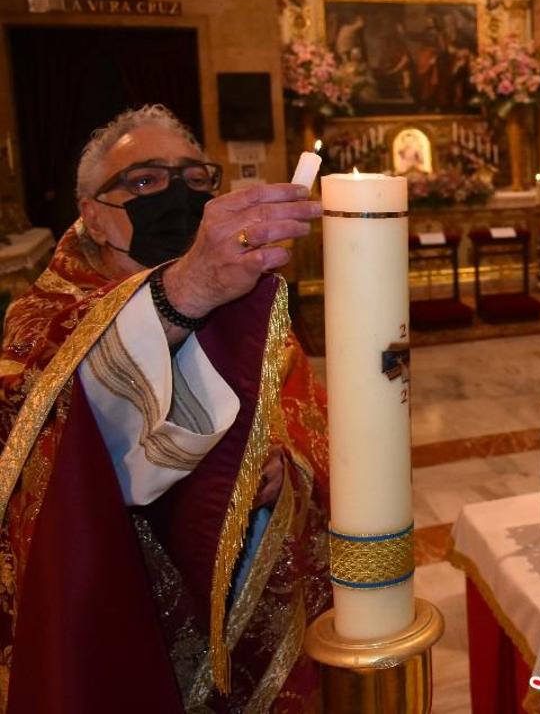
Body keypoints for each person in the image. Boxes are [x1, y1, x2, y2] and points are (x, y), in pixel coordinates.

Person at [0, 105, 331, 712]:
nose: (174, 195)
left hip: (241, 600)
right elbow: (43, 447)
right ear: (95, 218)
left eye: (193, 178)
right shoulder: (41, 318)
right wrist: (188, 289)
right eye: (145, 180)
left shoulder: (253, 306)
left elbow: (308, 427)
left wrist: (286, 471)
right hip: (121, 604)